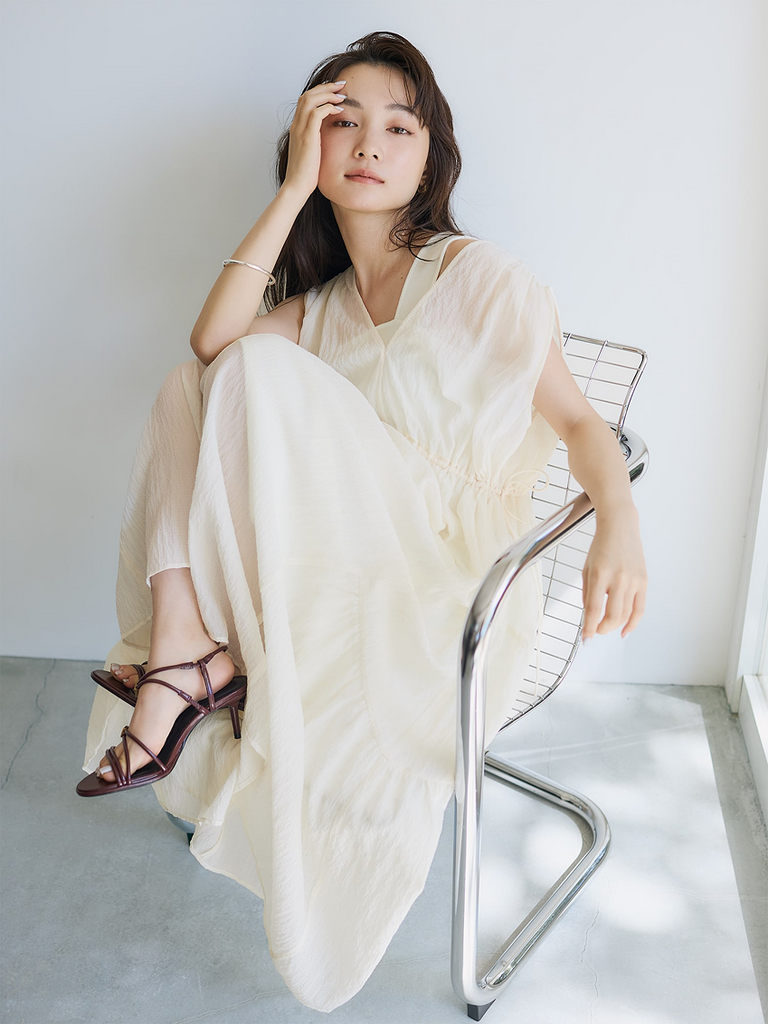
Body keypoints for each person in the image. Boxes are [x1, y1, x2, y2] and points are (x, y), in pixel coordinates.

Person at [78, 30, 646, 1011]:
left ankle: (191, 664)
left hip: (453, 593)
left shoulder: (479, 277)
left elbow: (584, 427)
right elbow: (209, 344)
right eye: (343, 123)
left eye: (400, 126)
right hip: (342, 568)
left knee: (244, 371)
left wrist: (619, 525)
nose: (371, 143)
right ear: (311, 143)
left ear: (432, 159)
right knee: (189, 383)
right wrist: (294, 191)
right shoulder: (322, 308)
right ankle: (187, 649)